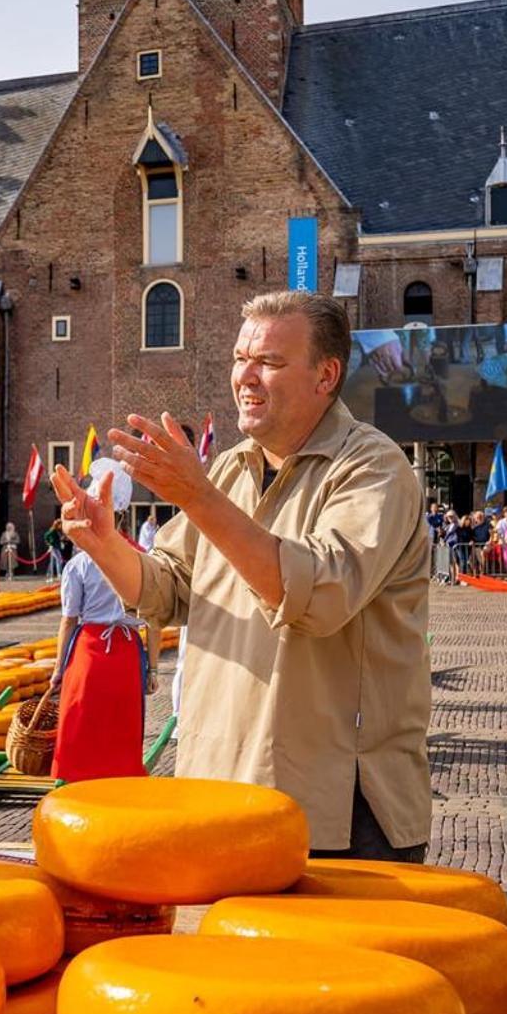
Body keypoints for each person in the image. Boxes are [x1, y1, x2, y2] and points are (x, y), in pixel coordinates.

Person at [51, 290, 430, 859]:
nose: (245, 377)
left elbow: (319, 596)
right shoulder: (229, 468)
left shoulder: (373, 468)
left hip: (334, 808)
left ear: (326, 375)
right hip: (221, 786)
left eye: (269, 363)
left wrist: (197, 496)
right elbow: (165, 590)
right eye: (239, 358)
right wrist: (104, 544)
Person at [50, 459, 154, 782]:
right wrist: (153, 667)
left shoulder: (79, 566)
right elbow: (153, 617)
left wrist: (57, 670)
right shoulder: (140, 556)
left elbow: (69, 620)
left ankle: (77, 783)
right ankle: (120, 783)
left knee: (81, 719)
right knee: (121, 724)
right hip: (125, 651)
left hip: (90, 650)